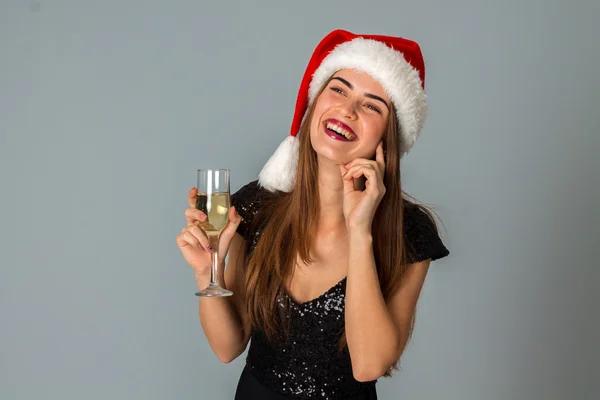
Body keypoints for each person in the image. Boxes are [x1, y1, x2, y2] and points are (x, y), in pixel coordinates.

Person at [177, 29, 450, 400]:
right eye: (338, 89)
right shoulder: (257, 205)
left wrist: (360, 231)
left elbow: (369, 365)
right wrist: (206, 269)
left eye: (372, 105)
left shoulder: (410, 233)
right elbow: (228, 348)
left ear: (390, 137)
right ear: (313, 102)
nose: (348, 110)